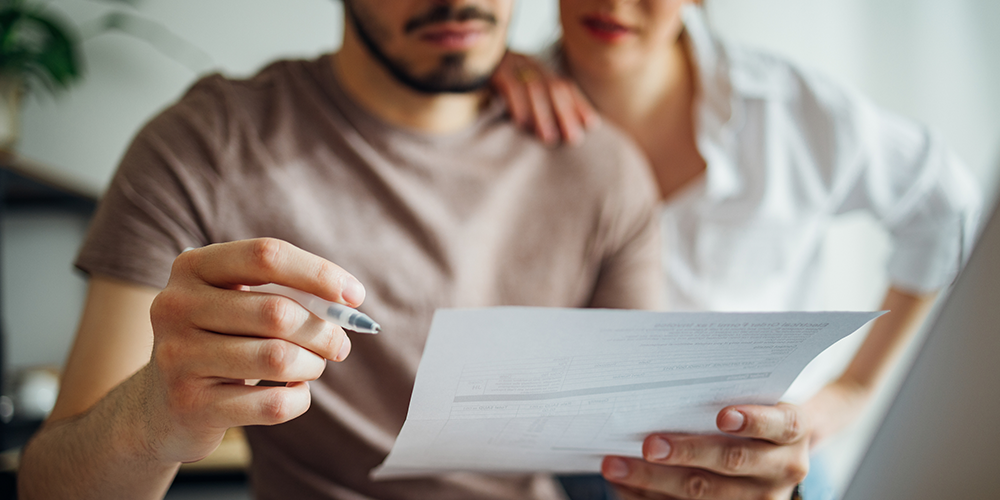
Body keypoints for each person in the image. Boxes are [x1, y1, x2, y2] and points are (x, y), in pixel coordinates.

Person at [17, 1, 666, 499]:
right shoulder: (203, 147)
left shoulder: (600, 169)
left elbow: (645, 446)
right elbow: (49, 485)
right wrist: (156, 415)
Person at [493, 1, 982, 499]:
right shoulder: (488, 106)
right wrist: (483, 67)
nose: (614, 4)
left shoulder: (790, 112)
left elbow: (943, 205)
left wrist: (853, 391)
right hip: (572, 467)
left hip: (759, 457)